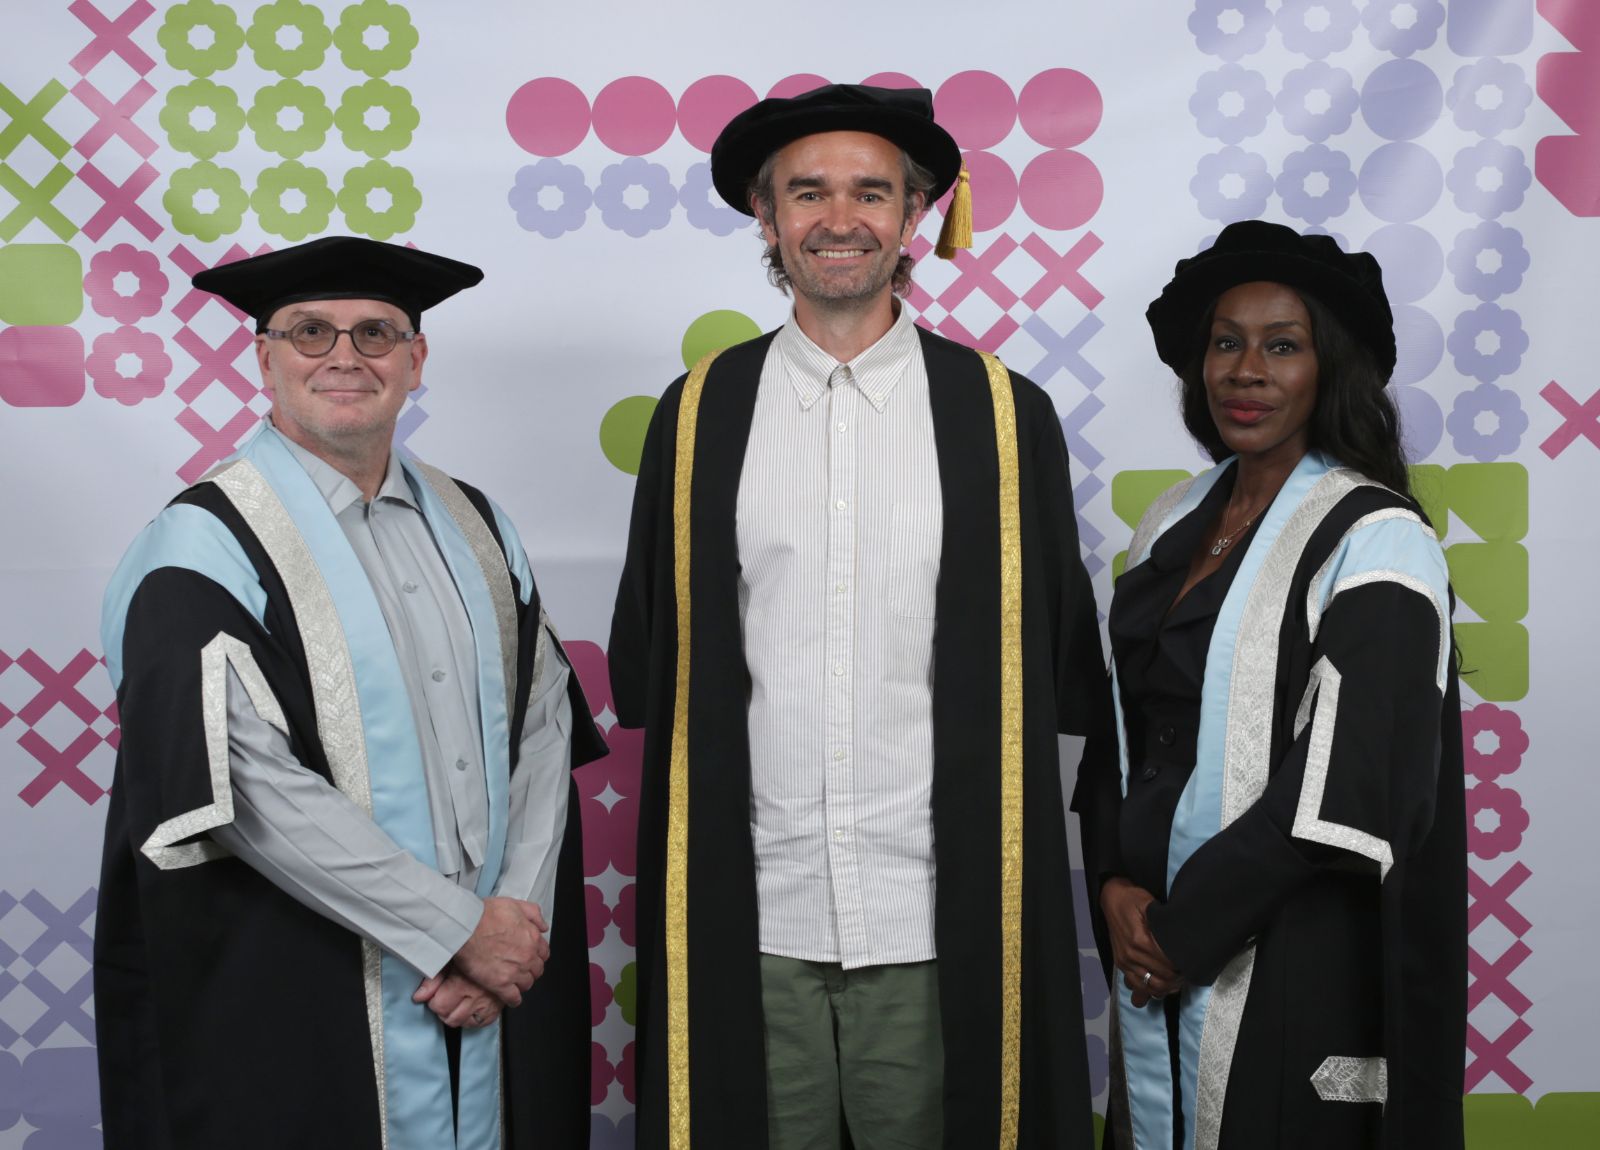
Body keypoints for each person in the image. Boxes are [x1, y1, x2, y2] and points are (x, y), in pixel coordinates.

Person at [608, 84, 1110, 1150]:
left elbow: (1050, 674)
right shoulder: (697, 415)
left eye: (871, 191)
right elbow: (661, 665)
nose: (840, 219)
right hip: (756, 914)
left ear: (916, 212)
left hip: (937, 914)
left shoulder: (1004, 418)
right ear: (764, 213)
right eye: (808, 192)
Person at [94, 236, 608, 1149]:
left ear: (416, 359)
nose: (344, 356)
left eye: (376, 333)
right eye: (309, 332)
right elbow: (242, 788)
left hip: (490, 983)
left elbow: (541, 727)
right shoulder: (203, 545)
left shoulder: (478, 521)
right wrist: (455, 932)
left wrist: (509, 942)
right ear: (263, 358)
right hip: (305, 985)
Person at [1071, 220, 1467, 1150]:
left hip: (1293, 951)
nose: (1246, 370)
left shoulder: (1378, 539)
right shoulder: (1169, 525)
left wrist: (1181, 930)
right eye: (1226, 342)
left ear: (1330, 368)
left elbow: (1354, 784)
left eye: (1282, 346)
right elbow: (1122, 735)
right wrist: (1117, 890)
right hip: (1155, 939)